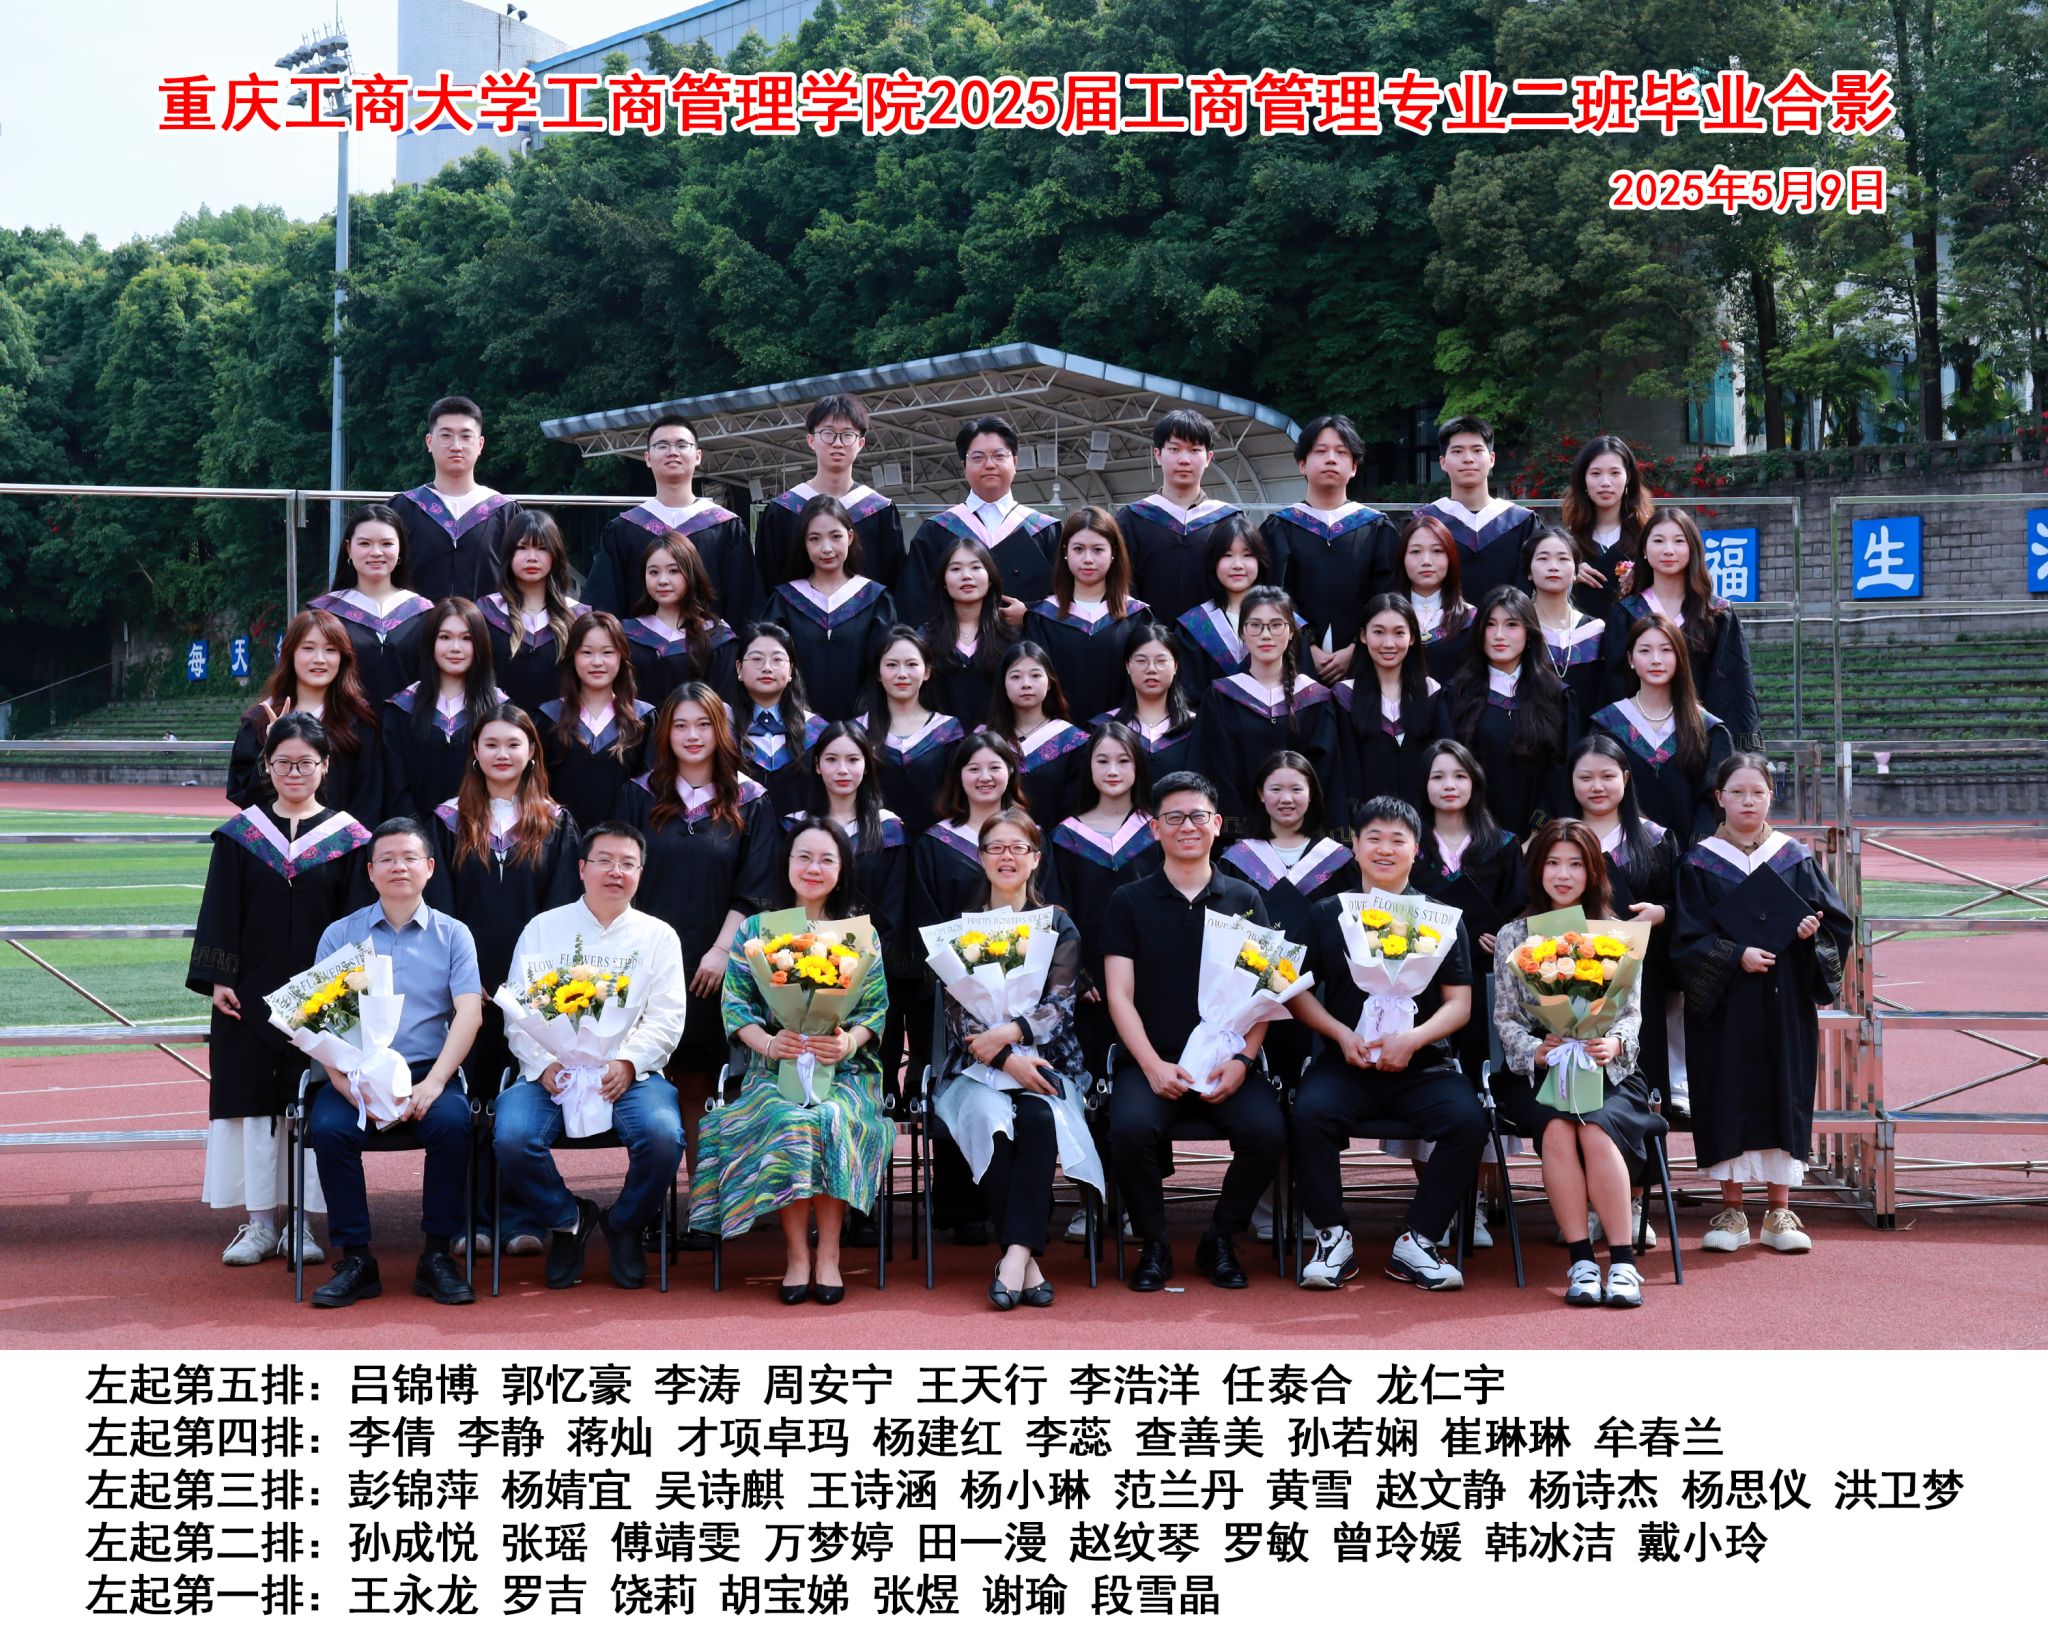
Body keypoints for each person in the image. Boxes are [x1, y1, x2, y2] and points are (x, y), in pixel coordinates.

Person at [188, 713, 374, 1268]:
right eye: (283, 762)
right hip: (247, 993)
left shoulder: (348, 838)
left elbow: (357, 921)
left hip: (323, 995)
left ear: (325, 766)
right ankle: (260, 1223)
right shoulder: (242, 834)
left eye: (305, 763)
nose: (295, 772)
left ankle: (304, 1225)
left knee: (313, 1102)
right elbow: (220, 907)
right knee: (253, 1103)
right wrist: (219, 977)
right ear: (267, 767)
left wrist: (343, 991)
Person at [691, 819, 894, 1303]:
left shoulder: (860, 936)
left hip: (845, 1070)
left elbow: (875, 1009)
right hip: (772, 1067)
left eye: (826, 859)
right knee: (789, 1121)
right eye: (803, 857)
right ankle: (797, 1254)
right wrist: (768, 1044)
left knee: (830, 1118)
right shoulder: (756, 931)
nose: (813, 868)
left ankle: (830, 1254)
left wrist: (847, 1044)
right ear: (786, 864)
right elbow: (736, 1006)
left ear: (841, 870)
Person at [1288, 796, 1484, 1292]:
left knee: (1468, 1121)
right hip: (1345, 1061)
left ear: (1417, 849)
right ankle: (1332, 1236)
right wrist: (1340, 1034)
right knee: (1308, 1113)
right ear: (1354, 846)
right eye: (1373, 837)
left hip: (1423, 1065)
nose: (1384, 848)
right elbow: (1295, 991)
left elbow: (1459, 1004)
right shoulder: (1326, 914)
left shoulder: (1441, 917)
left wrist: (1412, 1040)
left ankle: (1418, 1239)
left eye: (1398, 839)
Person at [1101, 771, 1285, 1291]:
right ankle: (1154, 1243)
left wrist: (1243, 1062)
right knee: (1129, 1130)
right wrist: (1152, 1066)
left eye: (1198, 816)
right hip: (1153, 1061)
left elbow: (1264, 996)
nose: (1188, 826)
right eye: (1174, 817)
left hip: (1226, 1060)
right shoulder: (1128, 901)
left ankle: (1220, 1239)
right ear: (1154, 828)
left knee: (1268, 1132)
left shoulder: (1245, 898)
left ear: (1217, 824)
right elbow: (1119, 995)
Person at [494, 822, 689, 1290]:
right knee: (512, 1137)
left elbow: (667, 1018)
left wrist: (629, 1062)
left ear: (640, 873)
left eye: (627, 863)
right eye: (604, 861)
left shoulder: (659, 936)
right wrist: (542, 1063)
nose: (615, 872)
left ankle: (624, 1223)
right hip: (552, 1071)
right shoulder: (543, 929)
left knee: (663, 1136)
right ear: (582, 868)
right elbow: (517, 1010)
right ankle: (569, 1220)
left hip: (630, 1074)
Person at [1671, 752, 1851, 1254]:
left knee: (1783, 1089)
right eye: (1737, 792)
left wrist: (1811, 934)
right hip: (1725, 1006)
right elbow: (1685, 939)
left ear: (1771, 797)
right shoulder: (1699, 862)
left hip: (1783, 999)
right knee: (1724, 1093)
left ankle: (1779, 1211)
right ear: (1719, 798)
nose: (1747, 801)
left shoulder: (1794, 857)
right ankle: (1730, 1211)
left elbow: (1835, 926)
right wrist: (1734, 956)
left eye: (1757, 792)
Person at [1489, 818, 1669, 1308]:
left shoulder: (1617, 935)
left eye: (1575, 864)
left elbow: (1631, 1014)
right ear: (1537, 870)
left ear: (1593, 872)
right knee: (1557, 1128)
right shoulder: (1513, 935)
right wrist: (1534, 1049)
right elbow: (1505, 1018)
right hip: (1538, 1073)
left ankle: (1623, 1263)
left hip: (1607, 1071)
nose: (1563, 874)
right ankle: (1582, 1260)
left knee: (1593, 1128)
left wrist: (1613, 1043)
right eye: (1552, 863)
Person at [306, 817, 485, 1308]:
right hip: (355, 1073)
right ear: (370, 871)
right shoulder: (340, 935)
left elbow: (470, 1012)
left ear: (429, 867)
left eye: (409, 858)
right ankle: (356, 1259)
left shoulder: (454, 935)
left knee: (452, 1125)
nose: (398, 867)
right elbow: (318, 1020)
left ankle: (436, 1256)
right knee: (330, 1130)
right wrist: (343, 1083)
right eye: (386, 859)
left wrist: (435, 1084)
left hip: (428, 1072)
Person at [426, 703, 583, 1255]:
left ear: (532, 751)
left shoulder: (555, 822)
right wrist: (464, 978)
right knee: (469, 1099)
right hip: (465, 986)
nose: (502, 754)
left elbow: (561, 909)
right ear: (474, 750)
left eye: (513, 744)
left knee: (520, 1098)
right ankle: (468, 1219)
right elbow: (439, 906)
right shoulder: (446, 821)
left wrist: (531, 983)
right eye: (491, 743)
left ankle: (520, 1217)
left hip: (532, 989)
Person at [933, 809, 1104, 1310]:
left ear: (1035, 858)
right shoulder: (959, 930)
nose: (1006, 857)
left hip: (1047, 1062)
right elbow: (959, 1017)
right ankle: (1025, 1261)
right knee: (991, 1121)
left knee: (1038, 1117)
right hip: (976, 1068)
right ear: (981, 857)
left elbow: (1061, 1006)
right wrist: (1006, 1059)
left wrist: (1012, 1036)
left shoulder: (1058, 925)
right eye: (995, 848)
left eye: (1017, 848)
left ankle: (1012, 1257)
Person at [614, 682, 780, 1162]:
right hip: (645, 959)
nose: (692, 735)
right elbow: (618, 878)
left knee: (702, 1080)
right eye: (681, 725)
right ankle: (656, 1196)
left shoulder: (750, 800)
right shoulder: (637, 796)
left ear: (721, 731)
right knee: (645, 1081)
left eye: (704, 724)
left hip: (714, 964)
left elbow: (756, 886)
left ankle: (705, 1195)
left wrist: (722, 950)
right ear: (665, 733)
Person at [1569, 732, 1682, 1238]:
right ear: (1571, 782)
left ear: (1626, 779)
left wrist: (1663, 913)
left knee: (1637, 1090)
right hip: (1570, 987)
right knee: (1579, 1090)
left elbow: (1683, 904)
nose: (1597, 786)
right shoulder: (1561, 840)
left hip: (1639, 986)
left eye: (1607, 776)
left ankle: (1636, 1204)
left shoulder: (1655, 839)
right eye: (1586, 777)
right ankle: (1587, 1207)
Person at [1216, 749, 1358, 1088]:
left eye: (1296, 789)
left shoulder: (1338, 859)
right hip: (1251, 990)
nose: (1286, 799)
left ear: (1312, 794)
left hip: (1321, 991)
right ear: (1260, 794)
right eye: (1276, 789)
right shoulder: (1236, 859)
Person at [1410, 739, 1526, 1093]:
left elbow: (1518, 905)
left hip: (1484, 970)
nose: (1449, 785)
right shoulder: (1410, 846)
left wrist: (1504, 937)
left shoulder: (1502, 845)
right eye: (1438, 777)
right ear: (1423, 784)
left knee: (1481, 1061)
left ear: (1475, 782)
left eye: (1460, 776)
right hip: (1422, 972)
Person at [1048, 720, 1160, 1072]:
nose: (1113, 770)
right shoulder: (1066, 836)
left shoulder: (1156, 831)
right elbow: (1056, 909)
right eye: (1102, 761)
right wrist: (1075, 972)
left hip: (1147, 960)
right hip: (1088, 969)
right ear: (1089, 767)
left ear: (1138, 767)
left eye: (1124, 761)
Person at [1603, 506, 1761, 748]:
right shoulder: (1626, 613)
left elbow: (1735, 686)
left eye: (1679, 541)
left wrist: (1734, 751)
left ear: (1692, 548)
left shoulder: (1716, 613)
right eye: (1658, 540)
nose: (1668, 550)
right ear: (1644, 549)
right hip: (1638, 744)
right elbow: (1615, 684)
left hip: (1702, 741)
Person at [587, 416, 763, 629]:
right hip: (638, 648)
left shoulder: (725, 527)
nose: (672, 452)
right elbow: (605, 605)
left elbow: (745, 606)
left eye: (682, 445)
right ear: (647, 458)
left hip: (713, 647)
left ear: (698, 456)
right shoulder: (624, 529)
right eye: (662, 445)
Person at [1193, 584, 1346, 825]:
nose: (1266, 635)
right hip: (1239, 834)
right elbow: (1215, 767)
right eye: (1255, 625)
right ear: (1242, 632)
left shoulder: (1315, 698)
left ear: (1292, 631)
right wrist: (1240, 831)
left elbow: (1326, 773)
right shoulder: (1221, 696)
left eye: (1276, 625)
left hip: (1302, 832)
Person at [1273, 415, 1398, 684]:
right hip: (1294, 662)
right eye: (1321, 451)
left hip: (1365, 662)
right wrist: (1306, 647)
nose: (1331, 459)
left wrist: (1357, 647)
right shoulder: (1280, 527)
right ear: (1302, 464)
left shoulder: (1377, 528)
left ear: (1353, 467)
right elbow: (1273, 594)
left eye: (1341, 452)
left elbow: (1387, 594)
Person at [1588, 613, 1734, 843]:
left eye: (1666, 650)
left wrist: (1696, 853)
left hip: (1690, 855)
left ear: (1680, 658)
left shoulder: (1706, 729)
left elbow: (1714, 799)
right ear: (1630, 659)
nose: (1656, 660)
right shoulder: (1608, 725)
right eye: (1645, 651)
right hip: (1623, 852)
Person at [900, 415, 1057, 627]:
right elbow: (915, 604)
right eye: (978, 457)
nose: (989, 464)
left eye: (999, 455)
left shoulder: (1044, 529)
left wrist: (1030, 616)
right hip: (955, 644)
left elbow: (1064, 600)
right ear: (964, 466)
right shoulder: (936, 531)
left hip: (1027, 645)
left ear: (1015, 462)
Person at [227, 607, 382, 820]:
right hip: (275, 838)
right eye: (308, 648)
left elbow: (371, 798)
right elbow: (243, 794)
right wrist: (271, 747)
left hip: (342, 837)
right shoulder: (260, 720)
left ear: (343, 658)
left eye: (330, 650)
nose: (319, 659)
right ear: (290, 654)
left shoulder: (359, 721)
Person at [1445, 586, 1572, 839]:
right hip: (1474, 835)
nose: (1499, 635)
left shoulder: (1555, 695)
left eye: (1511, 625)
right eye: (1490, 625)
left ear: (1529, 633)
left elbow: (1563, 768)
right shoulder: (1457, 694)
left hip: (1540, 840)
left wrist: (1538, 831)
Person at [762, 493, 899, 722]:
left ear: (850, 537)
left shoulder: (875, 599)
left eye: (836, 536)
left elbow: (885, 664)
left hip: (862, 727)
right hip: (795, 724)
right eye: (815, 539)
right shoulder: (784, 601)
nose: (826, 548)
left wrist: (862, 718)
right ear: (804, 543)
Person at [753, 393, 906, 591]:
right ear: (811, 440)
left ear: (860, 444)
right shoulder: (782, 510)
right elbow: (766, 581)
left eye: (847, 435)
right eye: (828, 433)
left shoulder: (879, 510)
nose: (837, 443)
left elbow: (895, 583)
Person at [1116, 410, 1250, 626]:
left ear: (1208, 458)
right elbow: (1121, 585)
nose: (1184, 460)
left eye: (1195, 450)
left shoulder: (1228, 520)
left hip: (1215, 639)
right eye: (1174, 449)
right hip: (1146, 639)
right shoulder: (1132, 519)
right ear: (1158, 455)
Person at [381, 597, 507, 821]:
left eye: (467, 638)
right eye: (445, 637)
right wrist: (418, 835)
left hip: (484, 831)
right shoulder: (400, 709)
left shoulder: (501, 710)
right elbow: (396, 788)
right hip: (414, 835)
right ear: (430, 642)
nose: (455, 648)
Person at [387, 396, 523, 603]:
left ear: (480, 444)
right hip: (416, 622)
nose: (456, 446)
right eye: (446, 435)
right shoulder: (403, 508)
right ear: (429, 442)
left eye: (466, 436)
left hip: (487, 623)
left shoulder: (505, 512)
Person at [1024, 507, 1151, 725]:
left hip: (1123, 735)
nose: (1088, 559)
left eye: (1098, 550)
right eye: (1078, 549)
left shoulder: (1137, 616)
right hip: (1057, 734)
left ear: (1113, 553)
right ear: (1065, 552)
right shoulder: (1042, 618)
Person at [309, 503, 436, 710]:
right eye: (365, 544)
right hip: (342, 725)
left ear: (400, 548)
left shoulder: (424, 614)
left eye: (386, 544)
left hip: (409, 726)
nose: (376, 552)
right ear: (349, 549)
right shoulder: (324, 612)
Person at [538, 611, 654, 836]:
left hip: (623, 845)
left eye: (607, 652)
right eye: (587, 652)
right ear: (573, 657)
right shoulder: (548, 718)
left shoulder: (643, 720)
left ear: (622, 657)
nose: (597, 662)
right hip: (560, 842)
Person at [1337, 592, 1450, 817]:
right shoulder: (1345, 696)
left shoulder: (1431, 693)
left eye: (1399, 633)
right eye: (1378, 632)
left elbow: (1445, 762)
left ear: (1412, 637)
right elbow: (1343, 770)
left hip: (1423, 822)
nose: (1388, 643)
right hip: (1366, 824)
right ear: (1363, 636)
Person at [1413, 415, 1538, 605]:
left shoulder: (1522, 523)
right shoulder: (1425, 521)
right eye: (1457, 451)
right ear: (1443, 462)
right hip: (1441, 623)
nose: (1468, 459)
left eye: (1477, 450)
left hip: (1508, 622)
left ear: (1492, 459)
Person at [481, 510, 588, 719]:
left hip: (562, 728)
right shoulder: (486, 613)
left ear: (555, 555)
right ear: (509, 553)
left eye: (542, 548)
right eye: (522, 548)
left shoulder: (577, 617)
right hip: (500, 728)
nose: (532, 557)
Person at [858, 627, 962, 836]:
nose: (902, 674)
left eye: (912, 664)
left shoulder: (949, 731)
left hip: (935, 845)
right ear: (878, 673)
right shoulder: (857, 732)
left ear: (927, 672)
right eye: (891, 665)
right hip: (874, 845)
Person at [622, 531, 739, 707]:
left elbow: (725, 705)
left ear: (692, 574)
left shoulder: (718, 638)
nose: (662, 580)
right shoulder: (627, 635)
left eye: (673, 571)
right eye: (653, 572)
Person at [1174, 517, 1285, 695]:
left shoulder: (1285, 622)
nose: (1237, 565)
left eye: (1247, 555)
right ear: (1213, 562)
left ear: (1260, 561)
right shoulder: (1194, 626)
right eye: (1227, 555)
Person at [727, 622, 827, 819]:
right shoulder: (722, 728)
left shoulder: (818, 732)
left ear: (790, 671)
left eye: (777, 659)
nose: (766, 668)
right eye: (757, 659)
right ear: (739, 668)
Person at [983, 640, 1089, 827]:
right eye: (1016, 677)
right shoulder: (985, 741)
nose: (1026, 684)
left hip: (1055, 839)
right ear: (1003, 683)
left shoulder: (1072, 741)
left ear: (1049, 683)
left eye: (1035, 675)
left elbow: (1078, 808)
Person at [1560, 433, 1652, 623]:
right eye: (1595, 474)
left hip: (1638, 636)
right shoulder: (1566, 542)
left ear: (1628, 477)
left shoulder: (1649, 537)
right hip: (1582, 638)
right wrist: (1568, 573)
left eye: (1614, 473)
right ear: (1583, 479)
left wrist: (1644, 576)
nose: (1605, 483)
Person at [921, 539, 1011, 726]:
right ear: (943, 582)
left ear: (990, 579)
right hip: (940, 741)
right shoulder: (924, 638)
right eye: (955, 569)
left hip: (998, 741)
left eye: (976, 567)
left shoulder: (1011, 637)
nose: (966, 576)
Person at [1524, 524, 1608, 723]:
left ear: (1576, 570)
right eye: (1543, 558)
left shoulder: (1595, 631)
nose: (1553, 566)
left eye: (1563, 559)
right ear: (1529, 571)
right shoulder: (1518, 628)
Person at [1100, 621, 1200, 781]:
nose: (1151, 669)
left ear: (1175, 666)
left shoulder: (1196, 727)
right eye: (1141, 661)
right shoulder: (1105, 726)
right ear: (1127, 666)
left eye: (1161, 661)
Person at [1392, 509, 1476, 685]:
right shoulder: (1386, 617)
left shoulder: (1471, 620)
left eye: (1437, 551)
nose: (1426, 561)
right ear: (1402, 559)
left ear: (1451, 558)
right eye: (1416, 552)